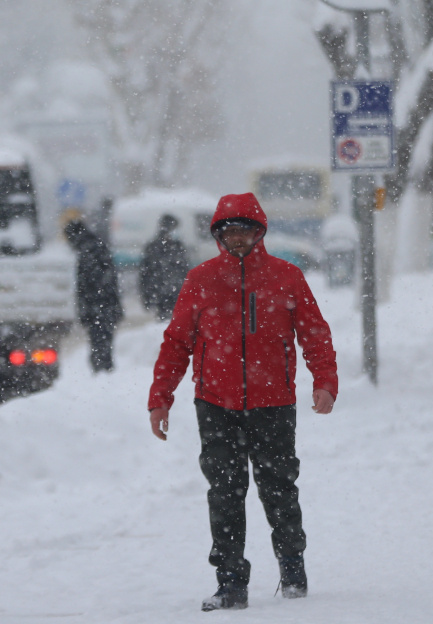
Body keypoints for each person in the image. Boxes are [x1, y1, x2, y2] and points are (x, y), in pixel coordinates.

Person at [147, 193, 338, 612]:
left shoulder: (286, 277)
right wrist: (160, 398)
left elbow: (315, 333)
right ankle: (230, 581)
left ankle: (292, 567)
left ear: (259, 232)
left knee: (279, 488)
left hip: (273, 403)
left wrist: (325, 381)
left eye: (244, 231)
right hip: (216, 404)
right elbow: (177, 343)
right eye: (228, 232)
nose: (237, 239)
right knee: (225, 493)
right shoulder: (201, 279)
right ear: (218, 235)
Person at [64, 219, 123, 372]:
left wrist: (85, 309)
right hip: (105, 306)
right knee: (104, 341)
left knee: (99, 341)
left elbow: (86, 285)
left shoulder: (87, 251)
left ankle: (102, 370)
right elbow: (109, 280)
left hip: (98, 307)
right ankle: (104, 369)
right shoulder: (96, 247)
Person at [138, 214, 190, 320]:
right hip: (162, 294)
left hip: (173, 292)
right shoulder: (154, 247)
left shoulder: (178, 245)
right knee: (166, 323)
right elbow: (145, 272)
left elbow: (185, 270)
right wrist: (146, 296)